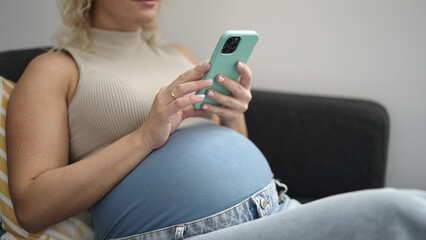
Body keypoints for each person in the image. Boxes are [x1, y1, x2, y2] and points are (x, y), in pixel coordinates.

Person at [5, 0, 426, 239]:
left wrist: (232, 114)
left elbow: (227, 144)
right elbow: (32, 206)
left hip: (273, 206)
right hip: (185, 233)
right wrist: (145, 135)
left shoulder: (181, 55)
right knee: (403, 212)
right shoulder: (55, 69)